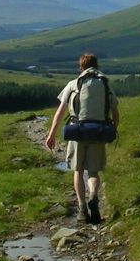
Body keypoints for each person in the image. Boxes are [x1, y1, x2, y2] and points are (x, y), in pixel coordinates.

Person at [45, 52, 119, 224]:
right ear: (97, 66)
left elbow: (60, 111)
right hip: (99, 132)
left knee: (78, 171)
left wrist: (51, 134)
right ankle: (93, 194)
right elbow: (115, 113)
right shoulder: (106, 85)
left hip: (77, 132)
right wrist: (112, 130)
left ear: (81, 67)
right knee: (93, 172)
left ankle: (82, 209)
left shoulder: (73, 84)